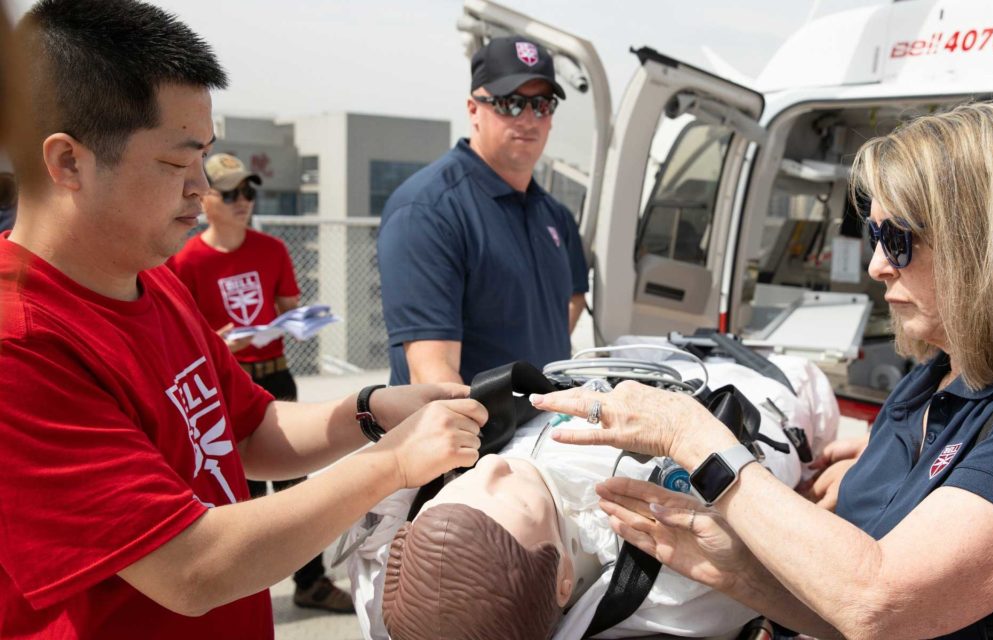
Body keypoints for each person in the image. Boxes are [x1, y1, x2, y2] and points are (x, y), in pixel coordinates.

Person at [532, 102, 993, 639]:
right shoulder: (935, 381)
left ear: (990, 247)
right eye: (873, 233)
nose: (877, 264)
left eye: (899, 238)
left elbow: (882, 602)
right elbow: (857, 616)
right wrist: (740, 573)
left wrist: (693, 437)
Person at [0, 1, 487, 637]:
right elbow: (191, 567)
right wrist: (393, 462)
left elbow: (250, 429)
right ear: (67, 162)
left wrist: (369, 411)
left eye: (205, 156)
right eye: (177, 163)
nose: (201, 187)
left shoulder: (152, 281)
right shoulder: (21, 344)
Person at [346, 355, 840, 640]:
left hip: (621, 367)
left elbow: (370, 554)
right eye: (512, 496)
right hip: (772, 388)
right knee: (806, 387)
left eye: (464, 481)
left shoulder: (394, 595)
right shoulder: (658, 581)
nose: (491, 465)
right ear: (564, 580)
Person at [168, 152, 353, 612]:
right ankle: (244, 594)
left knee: (295, 485)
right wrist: (214, 343)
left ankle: (311, 582)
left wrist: (289, 320)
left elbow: (289, 305)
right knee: (240, 495)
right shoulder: (185, 261)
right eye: (230, 192)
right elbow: (178, 335)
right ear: (204, 196)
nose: (242, 201)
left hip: (275, 376)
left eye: (248, 191)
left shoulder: (272, 249)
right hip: (225, 385)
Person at [377, 35, 589, 386]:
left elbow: (573, 297)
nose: (528, 118)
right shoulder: (428, 212)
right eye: (510, 103)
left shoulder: (554, 215)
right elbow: (433, 378)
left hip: (543, 430)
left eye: (542, 104)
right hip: (474, 437)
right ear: (474, 109)